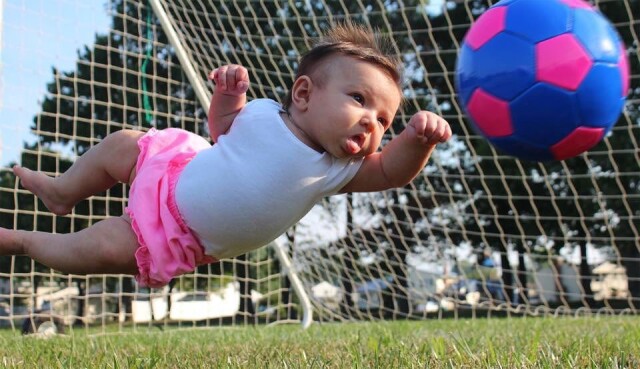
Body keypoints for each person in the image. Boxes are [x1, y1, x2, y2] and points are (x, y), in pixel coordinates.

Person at [0, 22, 451, 288]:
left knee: (95, 248)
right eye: (359, 99)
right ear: (304, 94)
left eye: (385, 120)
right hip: (176, 173)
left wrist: (417, 141)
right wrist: (228, 94)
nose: (373, 121)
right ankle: (62, 191)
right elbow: (222, 131)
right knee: (122, 143)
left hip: (178, 235)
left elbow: (392, 171)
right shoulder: (261, 113)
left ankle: (24, 242)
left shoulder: (336, 169)